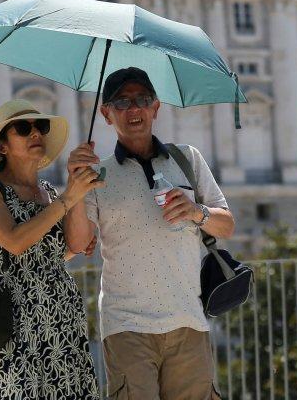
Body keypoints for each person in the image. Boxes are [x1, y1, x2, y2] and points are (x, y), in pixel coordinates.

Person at [64, 67, 235, 400]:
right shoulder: (96, 174)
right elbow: (76, 244)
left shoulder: (188, 159)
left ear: (155, 107)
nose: (133, 109)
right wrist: (74, 187)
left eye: (142, 99)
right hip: (127, 324)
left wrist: (195, 211)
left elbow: (226, 225)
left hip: (188, 318)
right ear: (106, 113)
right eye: (122, 102)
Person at [0, 98, 103, 400]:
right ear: (2, 146)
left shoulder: (51, 193)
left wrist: (75, 182)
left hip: (61, 319)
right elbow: (14, 242)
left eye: (41, 126)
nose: (35, 133)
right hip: (13, 320)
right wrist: (67, 199)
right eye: (23, 128)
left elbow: (75, 245)